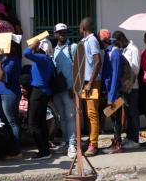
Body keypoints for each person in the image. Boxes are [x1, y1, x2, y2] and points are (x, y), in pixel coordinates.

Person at [23, 39, 55, 160]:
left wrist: (32, 45)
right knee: (41, 122)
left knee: (33, 123)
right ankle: (45, 150)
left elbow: (26, 53)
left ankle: (43, 151)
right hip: (43, 92)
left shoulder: (41, 58)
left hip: (38, 92)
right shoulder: (48, 59)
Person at [52, 23, 77, 159]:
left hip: (69, 89)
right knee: (62, 117)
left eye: (64, 32)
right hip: (58, 90)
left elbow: (78, 68)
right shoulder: (54, 50)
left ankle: (72, 143)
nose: (62, 34)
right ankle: (66, 142)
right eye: (60, 32)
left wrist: (74, 87)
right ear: (55, 34)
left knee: (71, 116)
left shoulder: (72, 48)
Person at [113, 31, 141, 150]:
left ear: (121, 39)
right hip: (124, 86)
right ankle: (129, 137)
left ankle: (134, 139)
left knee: (133, 113)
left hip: (132, 86)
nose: (117, 45)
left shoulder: (133, 49)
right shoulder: (123, 50)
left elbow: (135, 69)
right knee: (128, 113)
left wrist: (128, 83)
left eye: (117, 43)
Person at [0, 40, 22, 159]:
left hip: (9, 95)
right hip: (4, 94)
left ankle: (15, 150)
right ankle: (11, 148)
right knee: (7, 122)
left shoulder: (12, 61)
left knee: (12, 122)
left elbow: (1, 77)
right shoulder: (9, 59)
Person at [80, 18, 102, 156]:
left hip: (92, 82)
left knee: (93, 114)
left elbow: (97, 62)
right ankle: (90, 140)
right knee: (87, 114)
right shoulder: (85, 41)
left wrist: (89, 83)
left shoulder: (92, 40)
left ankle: (93, 144)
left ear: (83, 27)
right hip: (86, 82)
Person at [101, 37, 124, 154]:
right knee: (113, 117)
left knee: (116, 119)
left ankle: (118, 143)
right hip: (110, 91)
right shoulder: (110, 53)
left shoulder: (115, 54)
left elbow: (115, 76)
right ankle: (116, 141)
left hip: (114, 92)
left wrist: (111, 96)